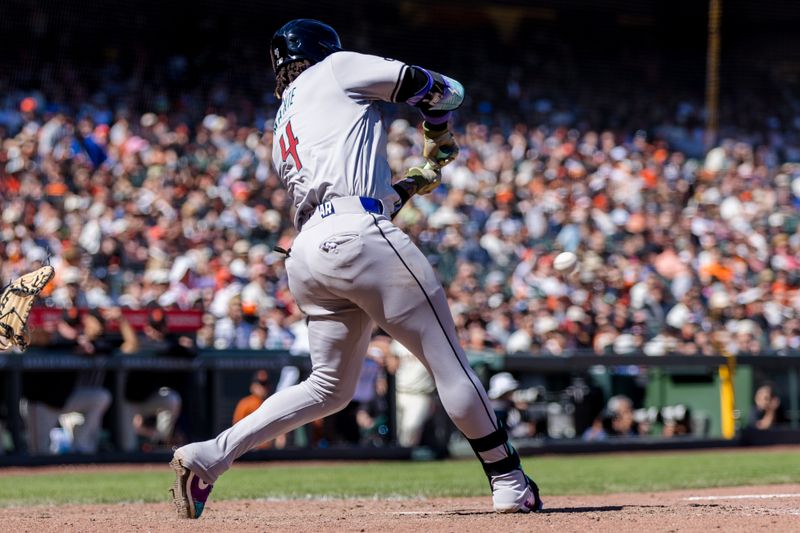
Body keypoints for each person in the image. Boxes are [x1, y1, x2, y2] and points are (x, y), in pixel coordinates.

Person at [170, 18, 542, 519]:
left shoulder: (285, 114)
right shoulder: (339, 67)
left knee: (327, 386)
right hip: (355, 234)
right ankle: (509, 479)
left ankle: (211, 454)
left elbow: (356, 197)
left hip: (309, 252)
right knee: (448, 361)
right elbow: (444, 90)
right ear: (325, 49)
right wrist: (438, 131)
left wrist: (417, 178)